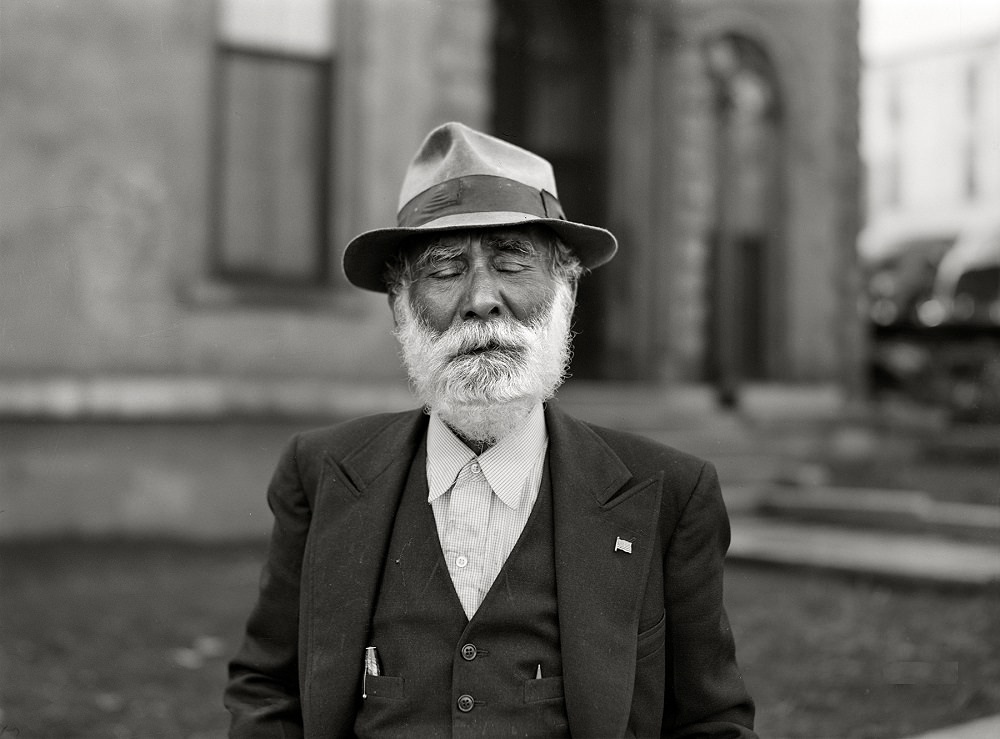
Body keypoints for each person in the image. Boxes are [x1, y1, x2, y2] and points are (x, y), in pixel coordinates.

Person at [225, 122, 756, 738]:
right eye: (446, 270)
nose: (482, 299)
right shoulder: (320, 474)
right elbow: (266, 689)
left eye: (511, 262)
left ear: (567, 291)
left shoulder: (670, 494)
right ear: (401, 305)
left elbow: (712, 723)